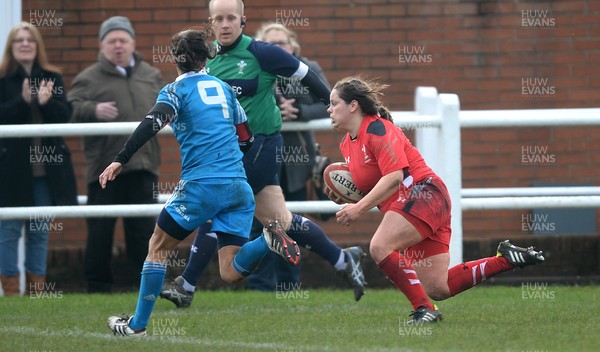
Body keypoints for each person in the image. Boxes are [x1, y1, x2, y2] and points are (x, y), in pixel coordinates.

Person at [159, 0, 366, 307]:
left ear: (243, 20)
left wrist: (335, 108)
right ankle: (343, 259)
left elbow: (307, 75)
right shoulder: (207, 60)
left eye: (232, 18)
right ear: (211, 23)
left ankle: (186, 286)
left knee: (215, 204)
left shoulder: (262, 52)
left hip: (261, 148)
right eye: (219, 19)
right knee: (280, 220)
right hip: (228, 153)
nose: (225, 24)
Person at [103, 28, 299, 336]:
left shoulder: (174, 91)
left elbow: (152, 123)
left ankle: (137, 326)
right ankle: (266, 240)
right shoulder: (223, 88)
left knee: (157, 247)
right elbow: (245, 137)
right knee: (230, 270)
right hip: (238, 186)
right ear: (206, 57)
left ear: (175, 59)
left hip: (200, 185)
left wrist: (120, 158)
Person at [326, 76, 546, 323]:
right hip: (414, 203)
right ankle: (505, 259)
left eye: (334, 103)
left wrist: (358, 208)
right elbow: (374, 182)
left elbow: (394, 178)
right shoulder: (347, 144)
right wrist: (344, 194)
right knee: (437, 286)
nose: (329, 109)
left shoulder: (378, 129)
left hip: (425, 194)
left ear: (353, 105)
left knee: (380, 247)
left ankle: (424, 310)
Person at [69, 16, 163, 293]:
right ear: (102, 45)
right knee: (100, 232)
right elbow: (68, 112)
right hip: (103, 168)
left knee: (143, 233)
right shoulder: (87, 78)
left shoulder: (151, 74)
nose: (118, 46)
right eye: (112, 41)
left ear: (133, 43)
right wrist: (92, 110)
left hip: (144, 165)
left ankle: (143, 287)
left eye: (123, 40)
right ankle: (97, 288)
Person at [243, 23, 331, 291]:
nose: (278, 48)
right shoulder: (251, 69)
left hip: (296, 160)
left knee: (291, 223)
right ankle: (260, 286)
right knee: (261, 223)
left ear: (293, 46)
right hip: (261, 154)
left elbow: (328, 103)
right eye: (271, 44)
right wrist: (273, 111)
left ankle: (289, 285)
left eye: (282, 43)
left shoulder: (309, 69)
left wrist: (300, 113)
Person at [0, 22, 77, 296]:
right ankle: (11, 292)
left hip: (46, 171)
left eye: (29, 40)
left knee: (39, 231)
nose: (24, 44)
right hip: (10, 171)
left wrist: (47, 102)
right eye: (18, 40)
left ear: (37, 46)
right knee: (8, 231)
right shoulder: (3, 78)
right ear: (11, 46)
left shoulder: (51, 77)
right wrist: (22, 102)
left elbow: (65, 115)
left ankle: (37, 293)